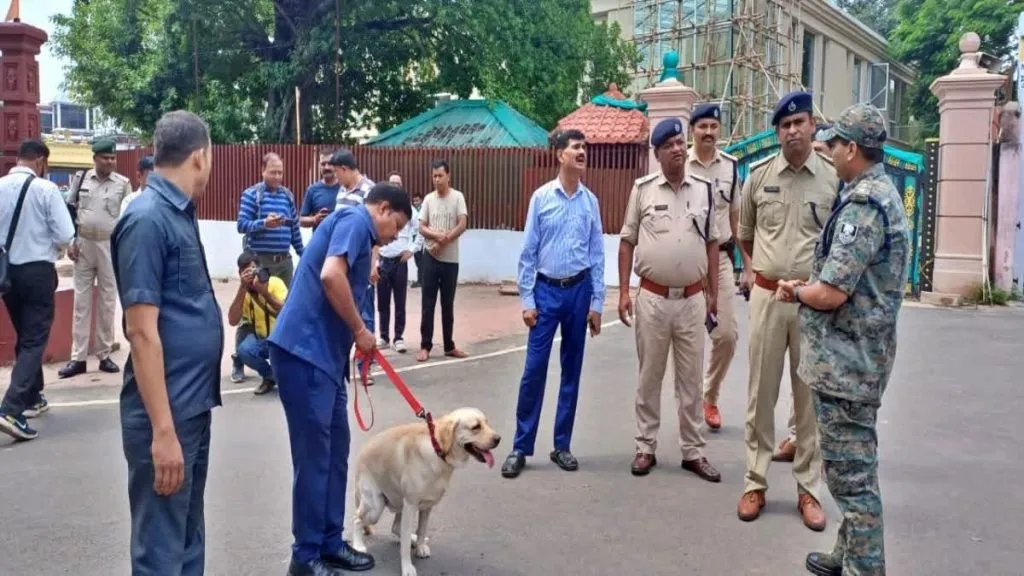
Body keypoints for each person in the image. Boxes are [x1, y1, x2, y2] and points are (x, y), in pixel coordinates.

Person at [776, 103, 908, 576]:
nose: (828, 152)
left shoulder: (864, 206)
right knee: (853, 468)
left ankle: (865, 568)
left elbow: (831, 293)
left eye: (834, 144)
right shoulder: (875, 193)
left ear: (853, 148)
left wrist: (796, 290)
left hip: (847, 365)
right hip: (854, 359)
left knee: (852, 479)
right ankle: (848, 553)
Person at [268, 183, 411, 576]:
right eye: (395, 226)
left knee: (334, 455)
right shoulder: (354, 219)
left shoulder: (363, 239)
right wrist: (361, 333)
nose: (393, 236)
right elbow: (332, 277)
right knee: (315, 460)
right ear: (382, 209)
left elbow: (346, 284)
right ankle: (305, 554)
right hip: (303, 353)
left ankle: (330, 542)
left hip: (324, 360)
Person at [111, 110, 221, 575]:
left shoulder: (177, 211)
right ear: (200, 156)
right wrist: (162, 432)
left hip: (190, 408)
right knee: (160, 550)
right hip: (167, 414)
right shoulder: (147, 219)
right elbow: (140, 332)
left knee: (187, 537)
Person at [736, 91, 839, 531]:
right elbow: (744, 235)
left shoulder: (833, 179)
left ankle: (809, 490)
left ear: (813, 125)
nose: (793, 130)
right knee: (761, 392)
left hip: (813, 305)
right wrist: (767, 272)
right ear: (777, 132)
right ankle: (755, 481)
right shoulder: (758, 178)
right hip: (767, 298)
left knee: (808, 398)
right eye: (785, 125)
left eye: (799, 122)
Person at [618, 118, 722, 482]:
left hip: (693, 299)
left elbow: (713, 241)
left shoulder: (705, 190)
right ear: (658, 153)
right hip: (652, 299)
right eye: (670, 145)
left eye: (681, 142)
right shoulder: (643, 189)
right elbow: (627, 240)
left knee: (691, 380)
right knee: (650, 377)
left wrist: (714, 293)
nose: (678, 149)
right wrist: (625, 292)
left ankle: (693, 451)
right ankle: (645, 446)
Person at [501, 129, 606, 478]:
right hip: (546, 293)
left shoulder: (590, 202)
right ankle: (520, 445)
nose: (582, 152)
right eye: (575, 147)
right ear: (559, 154)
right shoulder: (541, 198)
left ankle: (562, 445)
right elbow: (528, 252)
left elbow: (596, 255)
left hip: (578, 293)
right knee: (534, 370)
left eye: (584, 148)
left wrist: (597, 303)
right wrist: (527, 299)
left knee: (571, 372)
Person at [0, 140, 75, 441]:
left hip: (6, 273)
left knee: (25, 335)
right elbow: (65, 234)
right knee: (34, 339)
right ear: (41, 161)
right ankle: (11, 408)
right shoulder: (46, 190)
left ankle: (33, 396)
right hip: (37, 272)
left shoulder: (0, 186)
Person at [775, 121, 839, 464]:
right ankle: (798, 437)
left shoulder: (838, 187)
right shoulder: (771, 178)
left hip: (824, 293)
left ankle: (813, 444)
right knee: (798, 376)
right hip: (787, 292)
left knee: (814, 375)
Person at [686, 103, 747, 431]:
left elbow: (736, 220)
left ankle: (710, 395)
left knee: (726, 336)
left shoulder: (731, 168)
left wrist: (748, 268)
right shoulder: (680, 164)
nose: (708, 132)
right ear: (692, 130)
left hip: (721, 261)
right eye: (702, 126)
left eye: (713, 126)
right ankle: (691, 402)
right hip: (689, 261)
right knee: (689, 336)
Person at [58, 137, 133, 379]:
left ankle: (104, 354)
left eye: (113, 158)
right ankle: (78, 358)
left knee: (107, 301)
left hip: (109, 245)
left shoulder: (123, 184)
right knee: (82, 303)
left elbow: (129, 217)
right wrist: (71, 242)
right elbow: (69, 212)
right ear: (95, 159)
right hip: (84, 244)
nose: (110, 161)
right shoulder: (80, 180)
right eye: (105, 158)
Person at [232, 152, 304, 383]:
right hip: (260, 261)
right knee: (250, 311)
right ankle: (239, 359)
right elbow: (242, 225)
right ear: (262, 171)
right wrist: (265, 223)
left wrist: (304, 254)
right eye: (273, 172)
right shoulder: (252, 195)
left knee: (285, 309)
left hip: (284, 263)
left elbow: (293, 228)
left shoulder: (287, 196)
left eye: (280, 172)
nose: (277, 176)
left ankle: (282, 359)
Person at [331, 149, 378, 382]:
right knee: (345, 311)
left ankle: (365, 365)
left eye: (336, 173)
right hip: (343, 264)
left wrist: (373, 263)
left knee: (365, 315)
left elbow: (376, 233)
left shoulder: (369, 190)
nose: (335, 178)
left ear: (344, 169)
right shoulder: (341, 192)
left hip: (361, 264)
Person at [416, 160, 469, 362]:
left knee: (448, 304)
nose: (437, 180)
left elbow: (462, 224)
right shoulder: (429, 199)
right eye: (434, 176)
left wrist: (445, 239)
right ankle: (425, 345)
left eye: (440, 175)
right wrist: (436, 237)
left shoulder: (457, 198)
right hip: (430, 257)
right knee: (427, 303)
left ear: (449, 176)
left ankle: (449, 345)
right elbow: (422, 227)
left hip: (450, 260)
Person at [228, 251, 289, 395]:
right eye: (245, 271)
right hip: (264, 341)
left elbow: (287, 312)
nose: (250, 274)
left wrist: (265, 293)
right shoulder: (244, 291)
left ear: (261, 269)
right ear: (240, 273)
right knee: (244, 349)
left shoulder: (275, 283)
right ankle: (270, 377)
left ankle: (287, 374)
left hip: (283, 341)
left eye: (253, 269)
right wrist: (242, 287)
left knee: (292, 371)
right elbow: (232, 320)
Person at [376, 175, 422, 353]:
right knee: (383, 302)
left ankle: (398, 337)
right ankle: (384, 337)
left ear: (402, 187)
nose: (395, 187)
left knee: (400, 301)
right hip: (383, 261)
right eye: (392, 184)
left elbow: (421, 231)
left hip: (400, 262)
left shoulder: (409, 210)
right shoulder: (383, 210)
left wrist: (411, 249)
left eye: (398, 184)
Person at [299, 149, 340, 232]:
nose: (326, 167)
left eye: (330, 163)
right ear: (319, 166)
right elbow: (301, 220)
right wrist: (315, 219)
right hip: (320, 241)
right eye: (323, 164)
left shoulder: (344, 188)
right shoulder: (312, 190)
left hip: (341, 241)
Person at [410, 191, 425, 288]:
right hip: (414, 237)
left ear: (421, 200)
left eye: (418, 200)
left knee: (421, 261)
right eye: (414, 201)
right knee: (418, 260)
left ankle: (422, 281)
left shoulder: (423, 210)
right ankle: (421, 280)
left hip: (422, 236)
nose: (416, 203)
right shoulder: (412, 211)